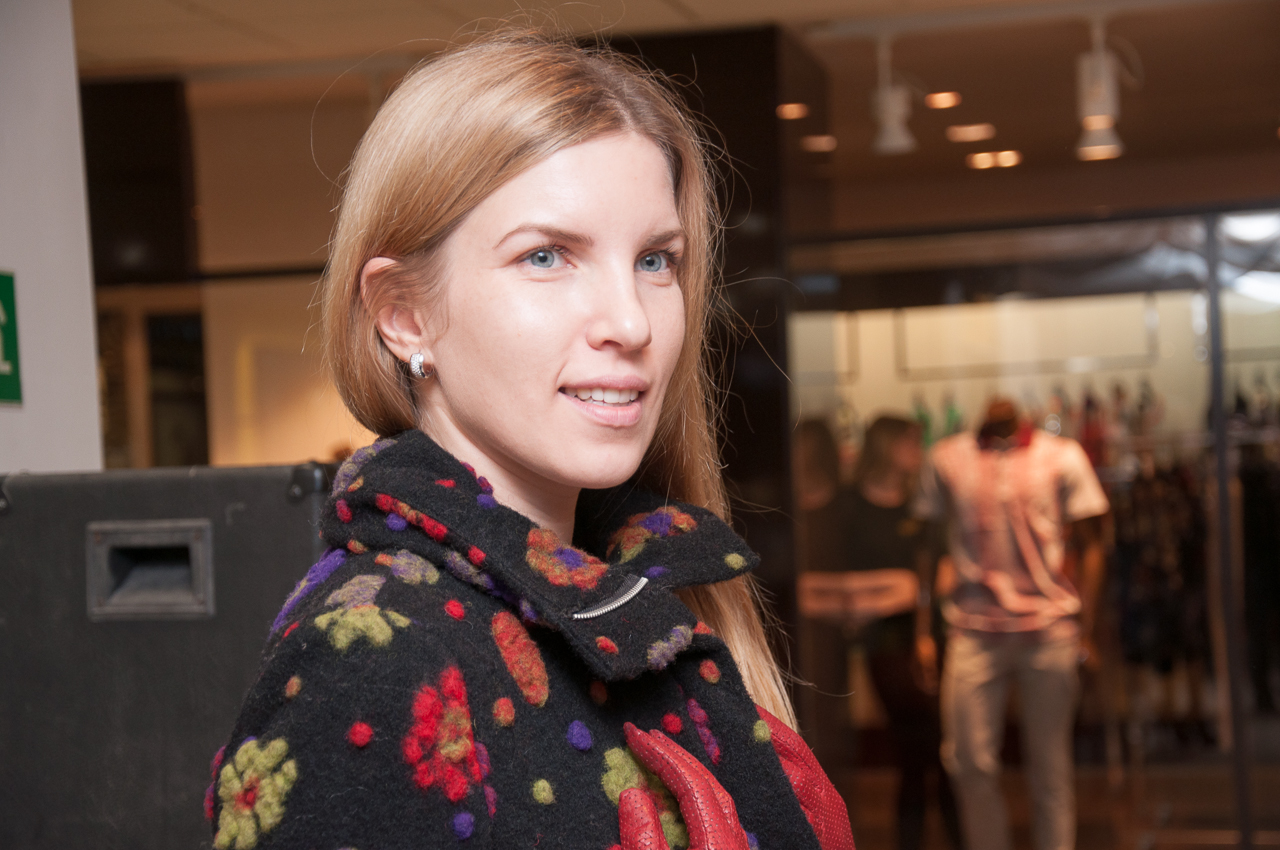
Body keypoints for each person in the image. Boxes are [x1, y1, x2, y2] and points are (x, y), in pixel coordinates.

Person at [206, 31, 854, 850]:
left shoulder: (644, 587)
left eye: (656, 261)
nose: (631, 322)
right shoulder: (371, 660)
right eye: (546, 256)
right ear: (405, 314)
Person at [916, 398, 1109, 850]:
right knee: (967, 762)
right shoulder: (946, 458)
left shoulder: (1061, 456)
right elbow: (926, 548)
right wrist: (923, 632)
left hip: (1049, 630)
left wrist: (1087, 629)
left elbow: (1094, 543)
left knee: (1050, 767)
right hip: (973, 629)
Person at [797, 416, 963, 850]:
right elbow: (824, 586)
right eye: (910, 442)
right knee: (917, 748)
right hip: (882, 646)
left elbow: (945, 575)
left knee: (941, 751)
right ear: (888, 445)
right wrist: (900, 588)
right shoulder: (848, 508)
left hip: (929, 639)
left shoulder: (921, 507)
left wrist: (898, 591)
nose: (919, 451)